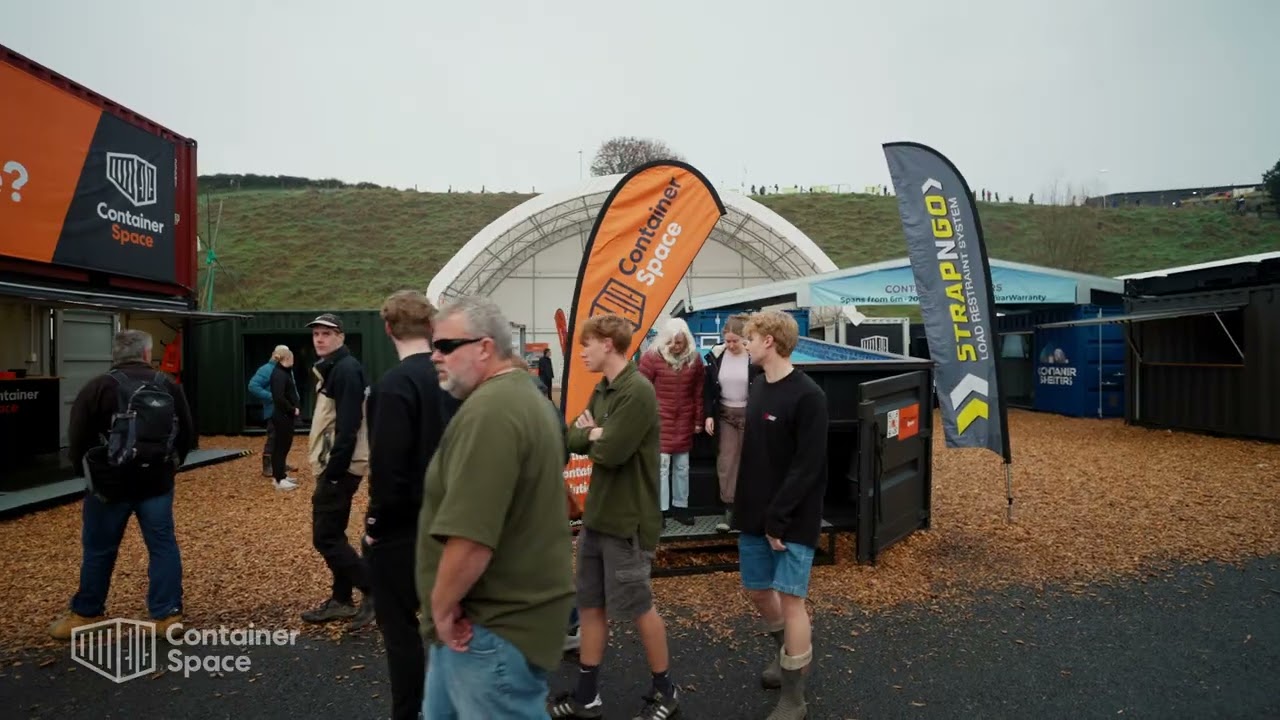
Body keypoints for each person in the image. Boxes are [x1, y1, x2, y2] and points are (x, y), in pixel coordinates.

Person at [415, 296, 575, 719]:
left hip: (488, 631)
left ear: (485, 348)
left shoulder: (492, 411)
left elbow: (471, 536)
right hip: (486, 629)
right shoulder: (522, 398)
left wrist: (440, 608)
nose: (435, 356)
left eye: (446, 346)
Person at [548, 313, 680, 720]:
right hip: (597, 520)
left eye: (585, 344)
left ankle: (667, 693)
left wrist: (595, 435)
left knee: (640, 609)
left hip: (627, 524)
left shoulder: (636, 391)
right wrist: (593, 433)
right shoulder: (602, 390)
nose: (580, 351)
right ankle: (587, 696)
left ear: (607, 343)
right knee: (589, 606)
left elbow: (612, 452)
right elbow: (570, 437)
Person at [48, 330, 193, 640]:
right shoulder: (167, 385)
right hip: (156, 483)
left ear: (114, 355)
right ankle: (168, 615)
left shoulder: (97, 387)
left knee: (99, 549)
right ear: (146, 354)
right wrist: (170, 466)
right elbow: (188, 434)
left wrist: (88, 473)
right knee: (162, 546)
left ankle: (86, 613)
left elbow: (77, 439)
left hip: (108, 486)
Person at [733, 310, 829, 719]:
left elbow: (808, 467)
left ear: (769, 340)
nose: (744, 343)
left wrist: (778, 519)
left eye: (750, 337)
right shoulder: (757, 386)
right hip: (754, 513)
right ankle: (788, 651)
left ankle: (794, 697)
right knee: (758, 590)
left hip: (791, 519)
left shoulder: (808, 396)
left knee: (792, 603)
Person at [364, 291, 452, 720]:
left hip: (402, 531)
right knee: (451, 626)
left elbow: (388, 467)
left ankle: (409, 712)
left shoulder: (391, 386)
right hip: (452, 524)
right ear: (432, 327)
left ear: (387, 330)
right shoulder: (451, 380)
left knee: (401, 631)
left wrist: (375, 524)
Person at [301, 313, 375, 630]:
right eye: (316, 333)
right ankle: (341, 600)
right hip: (339, 465)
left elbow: (348, 427)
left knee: (326, 537)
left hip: (341, 468)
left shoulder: (345, 370)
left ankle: (373, 590)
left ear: (341, 337)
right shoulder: (335, 368)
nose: (320, 338)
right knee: (336, 534)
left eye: (327, 333)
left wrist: (333, 472)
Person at [637, 317, 704, 526]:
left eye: (679, 343)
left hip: (684, 418)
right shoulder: (650, 358)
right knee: (661, 466)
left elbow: (698, 392)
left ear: (686, 342)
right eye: (672, 342)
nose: (675, 347)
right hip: (659, 420)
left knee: (683, 466)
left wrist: (698, 420)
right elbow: (641, 391)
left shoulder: (695, 360)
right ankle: (660, 511)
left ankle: (680, 507)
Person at [703, 314, 762, 532]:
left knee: (752, 461)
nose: (730, 345)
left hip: (750, 414)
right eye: (727, 341)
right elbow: (708, 388)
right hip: (725, 414)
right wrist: (708, 414)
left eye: (735, 341)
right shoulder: (716, 356)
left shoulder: (754, 357)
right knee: (726, 462)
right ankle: (730, 510)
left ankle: (752, 509)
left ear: (744, 338)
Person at [248, 348, 298, 478]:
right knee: (274, 437)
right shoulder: (266, 369)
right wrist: (273, 397)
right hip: (274, 410)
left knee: (283, 438)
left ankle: (279, 464)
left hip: (285, 409)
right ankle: (268, 466)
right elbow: (253, 386)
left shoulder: (284, 369)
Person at [268, 346, 300, 491]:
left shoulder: (283, 372)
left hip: (285, 415)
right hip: (282, 416)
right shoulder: (279, 374)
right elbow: (279, 397)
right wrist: (292, 409)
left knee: (284, 446)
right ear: (287, 358)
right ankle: (278, 479)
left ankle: (281, 475)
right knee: (280, 447)